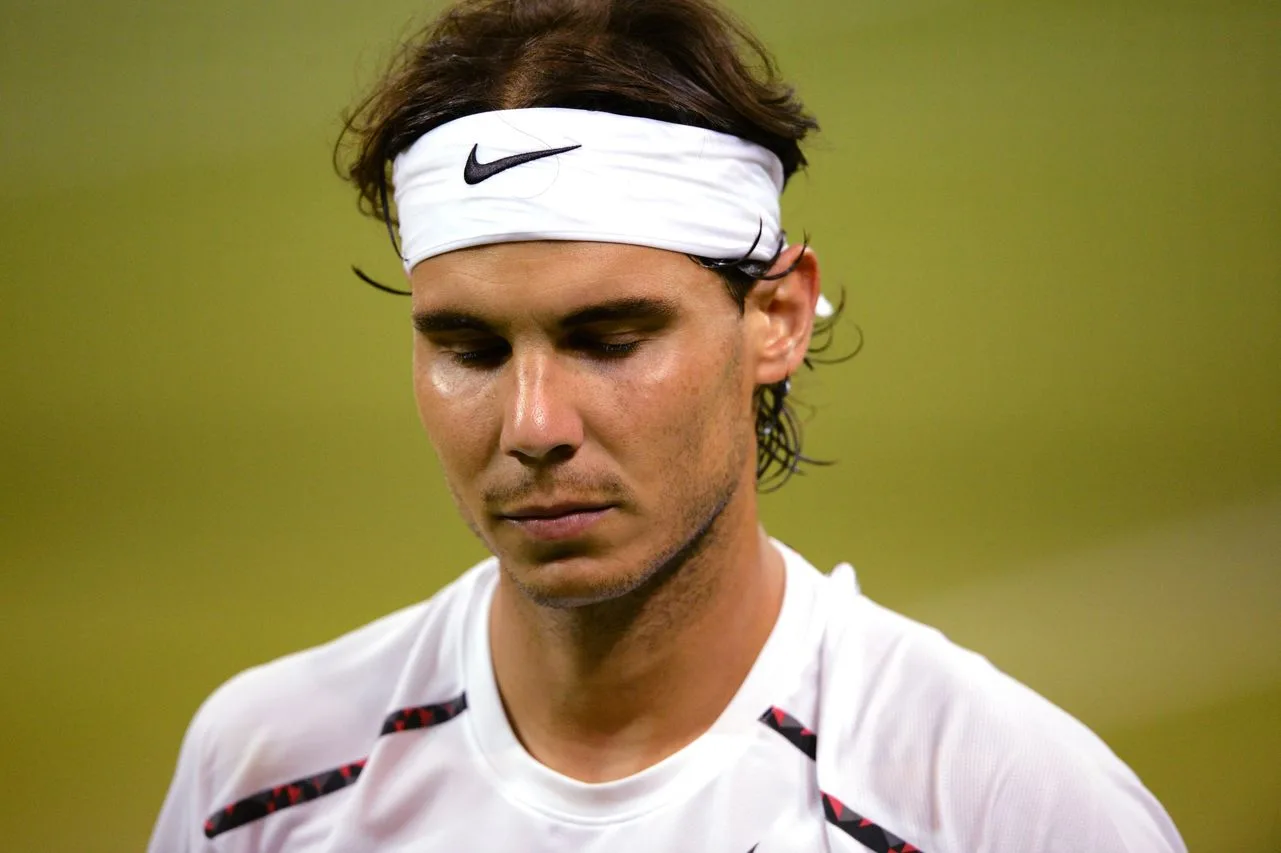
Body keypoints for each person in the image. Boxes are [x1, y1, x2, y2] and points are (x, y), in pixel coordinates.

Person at [148, 1, 1187, 850]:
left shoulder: (1006, 808)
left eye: (609, 338)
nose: (534, 424)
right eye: (470, 349)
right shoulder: (262, 779)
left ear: (774, 317)